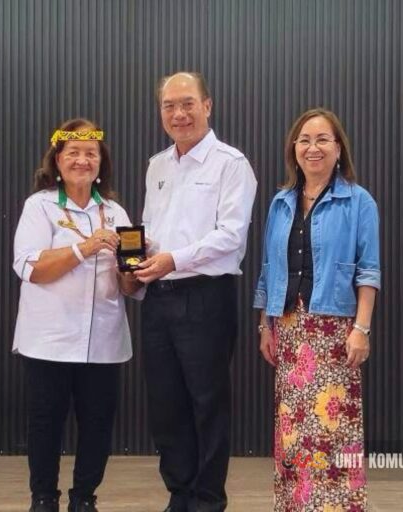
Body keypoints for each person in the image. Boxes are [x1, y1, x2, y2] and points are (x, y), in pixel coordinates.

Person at [133, 71, 257, 512]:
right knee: (166, 405)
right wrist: (136, 257)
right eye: (169, 106)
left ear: (208, 105)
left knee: (207, 404)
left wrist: (174, 259)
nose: (179, 114)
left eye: (188, 103)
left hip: (206, 297)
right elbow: (152, 229)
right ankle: (179, 494)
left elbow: (231, 236)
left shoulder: (231, 164)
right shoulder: (157, 165)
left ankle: (207, 501)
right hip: (158, 299)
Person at [254, 108, 380, 511]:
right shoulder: (280, 203)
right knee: (293, 432)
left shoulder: (359, 202)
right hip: (289, 329)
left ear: (338, 148)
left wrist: (362, 328)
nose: (313, 147)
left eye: (323, 139)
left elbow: (368, 271)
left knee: (331, 431)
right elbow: (269, 268)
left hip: (334, 331)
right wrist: (265, 325)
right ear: (294, 149)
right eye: (305, 140)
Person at [12, 118, 141, 512]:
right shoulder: (40, 206)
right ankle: (43, 498)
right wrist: (85, 248)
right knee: (45, 424)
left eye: (91, 153)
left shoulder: (116, 212)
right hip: (48, 340)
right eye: (73, 153)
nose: (82, 160)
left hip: (103, 341)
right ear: (57, 160)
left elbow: (129, 287)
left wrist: (132, 269)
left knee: (98, 425)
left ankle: (84, 498)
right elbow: (31, 267)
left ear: (101, 162)